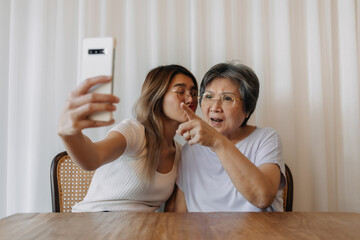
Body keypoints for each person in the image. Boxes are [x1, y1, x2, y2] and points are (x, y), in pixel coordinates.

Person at [57, 64, 198, 212]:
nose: (190, 99)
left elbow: (173, 213)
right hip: (95, 222)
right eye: (181, 91)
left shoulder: (181, 153)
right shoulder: (134, 132)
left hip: (140, 230)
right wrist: (68, 133)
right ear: (157, 95)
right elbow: (93, 158)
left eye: (194, 93)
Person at [175, 62, 286, 212]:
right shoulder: (190, 150)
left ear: (248, 109)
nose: (215, 107)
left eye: (227, 98)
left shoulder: (265, 139)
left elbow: (262, 197)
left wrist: (216, 141)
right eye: (208, 96)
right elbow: (180, 215)